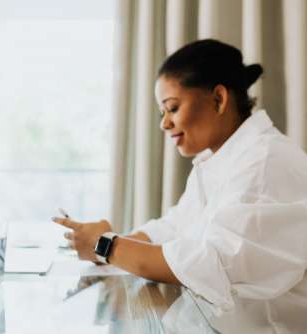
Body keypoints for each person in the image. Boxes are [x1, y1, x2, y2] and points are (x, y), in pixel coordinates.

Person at [52, 39, 307, 329]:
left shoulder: (265, 163)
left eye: (172, 108)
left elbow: (213, 264)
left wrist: (106, 246)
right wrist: (107, 241)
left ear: (218, 99)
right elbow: (175, 227)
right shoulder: (222, 158)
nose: (164, 123)